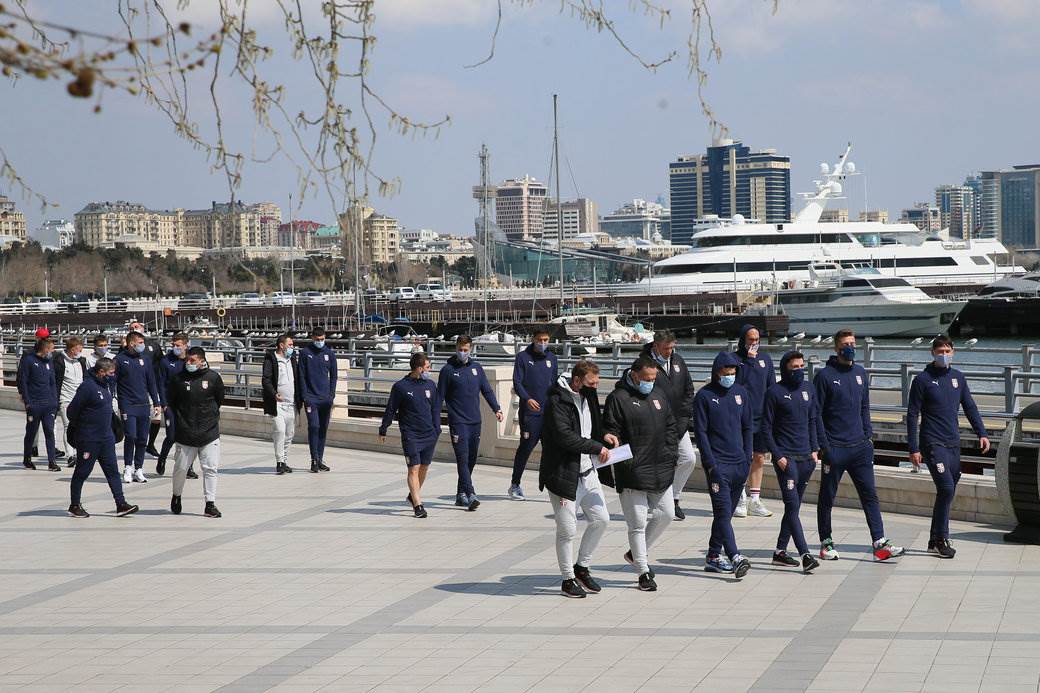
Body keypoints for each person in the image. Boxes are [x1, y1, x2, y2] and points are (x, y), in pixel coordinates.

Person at [815, 329, 904, 562]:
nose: (850, 347)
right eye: (845, 344)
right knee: (827, 497)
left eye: (853, 343)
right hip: (835, 448)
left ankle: (879, 543)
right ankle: (826, 542)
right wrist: (824, 446)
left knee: (870, 495)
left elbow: (865, 407)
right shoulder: (824, 376)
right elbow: (816, 414)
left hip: (860, 448)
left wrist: (868, 437)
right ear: (836, 348)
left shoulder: (860, 373)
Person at [907, 335, 989, 559]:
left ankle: (934, 540)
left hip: (953, 443)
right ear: (932, 353)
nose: (944, 355)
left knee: (948, 490)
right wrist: (913, 448)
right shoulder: (922, 380)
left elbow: (970, 406)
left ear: (953, 352)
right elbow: (912, 414)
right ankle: (941, 539)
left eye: (947, 351)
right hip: (933, 443)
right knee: (946, 489)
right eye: (939, 351)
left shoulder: (958, 378)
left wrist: (981, 432)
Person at [540, 360, 617, 598]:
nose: (595, 387)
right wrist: (596, 447)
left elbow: (593, 423)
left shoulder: (588, 394)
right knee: (567, 529)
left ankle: (581, 567)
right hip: (563, 473)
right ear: (577, 381)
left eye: (596, 383)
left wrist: (604, 434)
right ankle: (567, 579)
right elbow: (565, 437)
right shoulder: (557, 402)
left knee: (601, 519)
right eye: (591, 383)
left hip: (587, 471)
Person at [603, 355, 678, 592]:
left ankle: (635, 554)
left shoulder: (658, 395)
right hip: (632, 471)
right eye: (647, 378)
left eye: (654, 378)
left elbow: (671, 426)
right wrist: (608, 437)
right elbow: (610, 428)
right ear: (635, 375)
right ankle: (643, 572)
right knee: (636, 524)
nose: (651, 382)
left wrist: (671, 454)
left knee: (667, 514)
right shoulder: (618, 398)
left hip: (661, 467)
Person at [694, 352, 753, 578]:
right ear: (717, 371)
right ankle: (735, 556)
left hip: (740, 464)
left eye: (733, 372)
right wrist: (710, 464)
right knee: (722, 511)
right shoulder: (705, 397)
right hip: (718, 466)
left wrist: (747, 457)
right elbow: (700, 433)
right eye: (726, 372)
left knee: (725, 514)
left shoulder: (741, 393)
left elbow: (748, 427)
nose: (729, 376)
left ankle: (712, 556)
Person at [762, 351, 821, 574]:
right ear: (785, 368)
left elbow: (813, 420)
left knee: (794, 507)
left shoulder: (808, 389)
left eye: (801, 366)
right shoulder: (774, 393)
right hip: (787, 460)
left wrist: (815, 450)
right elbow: (766, 429)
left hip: (807, 458)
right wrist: (778, 456)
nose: (798, 370)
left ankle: (779, 552)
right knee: (792, 505)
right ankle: (805, 554)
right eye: (794, 367)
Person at [66, 357, 139, 518]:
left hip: (106, 438)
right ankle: (74, 505)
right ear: (101, 372)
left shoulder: (106, 385)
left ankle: (121, 504)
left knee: (112, 472)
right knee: (82, 471)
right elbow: (71, 412)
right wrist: (85, 426)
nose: (113, 376)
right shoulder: (87, 387)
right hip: (89, 439)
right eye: (111, 373)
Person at [437, 335, 504, 511]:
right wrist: (435, 420)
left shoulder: (477, 368)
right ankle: (471, 493)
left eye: (466, 350)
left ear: (471, 349)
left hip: (475, 421)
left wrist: (496, 408)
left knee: (471, 459)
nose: (462, 352)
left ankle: (460, 495)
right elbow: (439, 398)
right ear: (456, 347)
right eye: (460, 349)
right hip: (458, 422)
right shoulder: (448, 370)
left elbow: (487, 390)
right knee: (462, 459)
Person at [641, 329, 698, 520]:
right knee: (658, 464)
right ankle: (656, 500)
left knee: (688, 459)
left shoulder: (678, 361)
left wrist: (683, 420)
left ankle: (673, 497)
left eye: (672, 348)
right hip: (655, 425)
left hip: (678, 424)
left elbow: (688, 390)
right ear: (656, 346)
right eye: (666, 348)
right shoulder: (644, 363)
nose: (670, 352)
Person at [379, 352, 441, 519]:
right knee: (413, 468)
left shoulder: (430, 385)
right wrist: (383, 428)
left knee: (424, 467)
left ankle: (412, 495)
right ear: (419, 368)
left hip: (429, 434)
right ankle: (418, 505)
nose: (430, 370)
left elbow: (436, 409)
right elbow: (391, 409)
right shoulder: (400, 387)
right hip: (411, 434)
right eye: (428, 367)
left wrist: (437, 429)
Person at [168, 347, 225, 518]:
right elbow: (172, 401)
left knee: (210, 469)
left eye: (192, 360)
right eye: (187, 360)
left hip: (209, 431)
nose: (189, 363)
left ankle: (210, 504)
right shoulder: (178, 379)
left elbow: (219, 399)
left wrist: (211, 417)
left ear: (201, 361)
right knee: (181, 468)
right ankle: (176, 496)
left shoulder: (213, 378)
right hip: (186, 431)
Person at [509, 329, 558, 500]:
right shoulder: (522, 357)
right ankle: (515, 484)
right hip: (530, 413)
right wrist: (527, 399)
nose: (543, 343)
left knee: (550, 449)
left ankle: (550, 484)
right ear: (533, 339)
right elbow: (517, 382)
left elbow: (554, 383)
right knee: (527, 446)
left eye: (546, 339)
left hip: (548, 413)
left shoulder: (552, 358)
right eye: (539, 339)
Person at [734, 324, 775, 518]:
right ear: (743, 340)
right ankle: (740, 496)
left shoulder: (765, 359)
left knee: (759, 456)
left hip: (761, 416)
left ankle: (755, 499)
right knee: (744, 456)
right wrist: (748, 362)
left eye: (757, 339)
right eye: (750, 339)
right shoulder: (735, 360)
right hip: (741, 416)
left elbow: (772, 386)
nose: (754, 343)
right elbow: (736, 384)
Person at [115, 331, 161, 484]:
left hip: (143, 404)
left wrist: (157, 402)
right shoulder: (120, 360)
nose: (142, 345)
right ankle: (127, 467)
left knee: (142, 438)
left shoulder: (145, 360)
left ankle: (138, 469)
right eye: (140, 342)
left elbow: (151, 382)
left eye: (143, 342)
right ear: (131, 343)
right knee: (131, 436)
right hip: (128, 404)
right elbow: (112, 382)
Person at [262, 334, 303, 475]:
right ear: (281, 345)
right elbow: (266, 379)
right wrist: (274, 393)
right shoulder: (271, 359)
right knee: (279, 431)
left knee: (289, 434)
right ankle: (279, 461)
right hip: (277, 404)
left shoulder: (292, 359)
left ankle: (285, 460)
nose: (292, 347)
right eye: (290, 345)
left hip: (291, 404)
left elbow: (297, 379)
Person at [17, 337, 59, 471]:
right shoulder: (28, 361)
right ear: (45, 349)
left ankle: (52, 461)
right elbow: (23, 381)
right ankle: (27, 459)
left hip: (49, 405)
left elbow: (53, 382)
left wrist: (54, 400)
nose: (53, 351)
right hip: (34, 404)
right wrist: (28, 402)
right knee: (31, 432)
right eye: (51, 348)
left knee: (49, 432)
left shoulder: (49, 362)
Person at [299, 327, 337, 473]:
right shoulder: (305, 353)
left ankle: (320, 459)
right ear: (312, 338)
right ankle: (313, 459)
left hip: (325, 399)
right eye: (317, 340)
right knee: (314, 426)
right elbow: (301, 375)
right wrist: (305, 396)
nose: (320, 342)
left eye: (322, 339)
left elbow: (333, 376)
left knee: (323, 429)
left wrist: (331, 394)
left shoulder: (329, 353)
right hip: (311, 399)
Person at [155, 334, 191, 477]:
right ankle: (162, 459)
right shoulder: (165, 362)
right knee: (171, 436)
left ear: (186, 345)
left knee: (188, 436)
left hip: (187, 405)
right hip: (170, 405)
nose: (176, 348)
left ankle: (188, 467)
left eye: (178, 345)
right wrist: (163, 404)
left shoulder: (190, 360)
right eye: (174, 345)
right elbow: (161, 385)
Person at [127, 321, 165, 458]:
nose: (134, 329)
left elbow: (162, 363)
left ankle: (151, 444)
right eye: (131, 328)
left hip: (153, 386)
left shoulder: (153, 345)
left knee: (156, 418)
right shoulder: (126, 348)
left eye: (136, 327)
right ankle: (139, 445)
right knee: (139, 420)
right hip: (136, 390)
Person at [54, 336, 88, 468]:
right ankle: (70, 455)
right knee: (69, 426)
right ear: (72, 349)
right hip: (65, 399)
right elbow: (56, 380)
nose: (80, 351)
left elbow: (85, 379)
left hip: (79, 399)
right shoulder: (59, 361)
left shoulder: (81, 361)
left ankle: (79, 452)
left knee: (81, 427)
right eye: (79, 349)